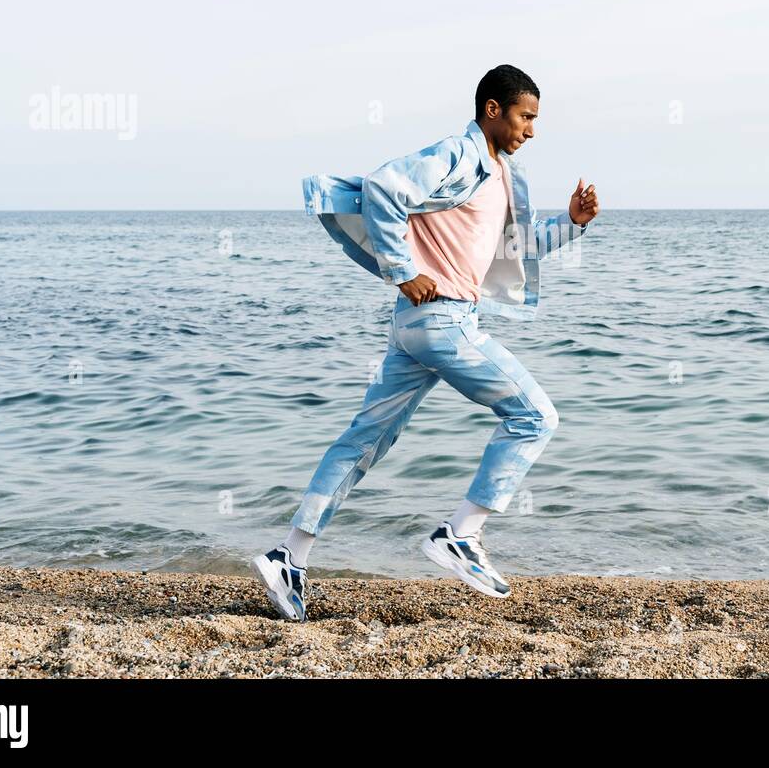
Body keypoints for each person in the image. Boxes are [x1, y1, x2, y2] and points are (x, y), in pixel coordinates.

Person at [251, 64, 600, 619]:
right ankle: (460, 534)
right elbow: (384, 188)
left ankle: (289, 555)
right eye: (525, 116)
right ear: (493, 110)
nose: (532, 129)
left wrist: (573, 222)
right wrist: (402, 270)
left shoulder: (499, 173)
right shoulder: (458, 155)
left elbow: (515, 249)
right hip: (442, 321)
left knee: (364, 442)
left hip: (415, 328)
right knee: (536, 417)